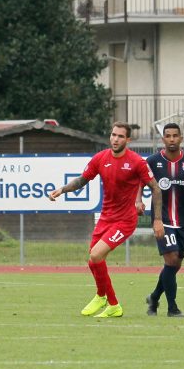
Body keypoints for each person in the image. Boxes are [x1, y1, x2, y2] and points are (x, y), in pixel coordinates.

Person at [49, 122, 164, 318]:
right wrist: (62, 189)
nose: (115, 139)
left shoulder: (137, 162)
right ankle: (110, 302)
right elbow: (82, 180)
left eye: (120, 136)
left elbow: (156, 188)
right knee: (93, 261)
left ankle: (103, 297)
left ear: (128, 140)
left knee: (96, 255)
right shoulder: (101, 158)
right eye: (113, 135)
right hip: (106, 218)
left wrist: (158, 219)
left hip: (125, 220)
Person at [136, 122, 184, 317]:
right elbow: (141, 183)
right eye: (167, 136)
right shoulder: (152, 161)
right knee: (171, 258)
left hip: (183, 220)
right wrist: (138, 200)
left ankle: (154, 297)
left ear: (181, 138)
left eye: (175, 136)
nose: (171, 139)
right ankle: (172, 308)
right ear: (163, 139)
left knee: (175, 264)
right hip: (162, 219)